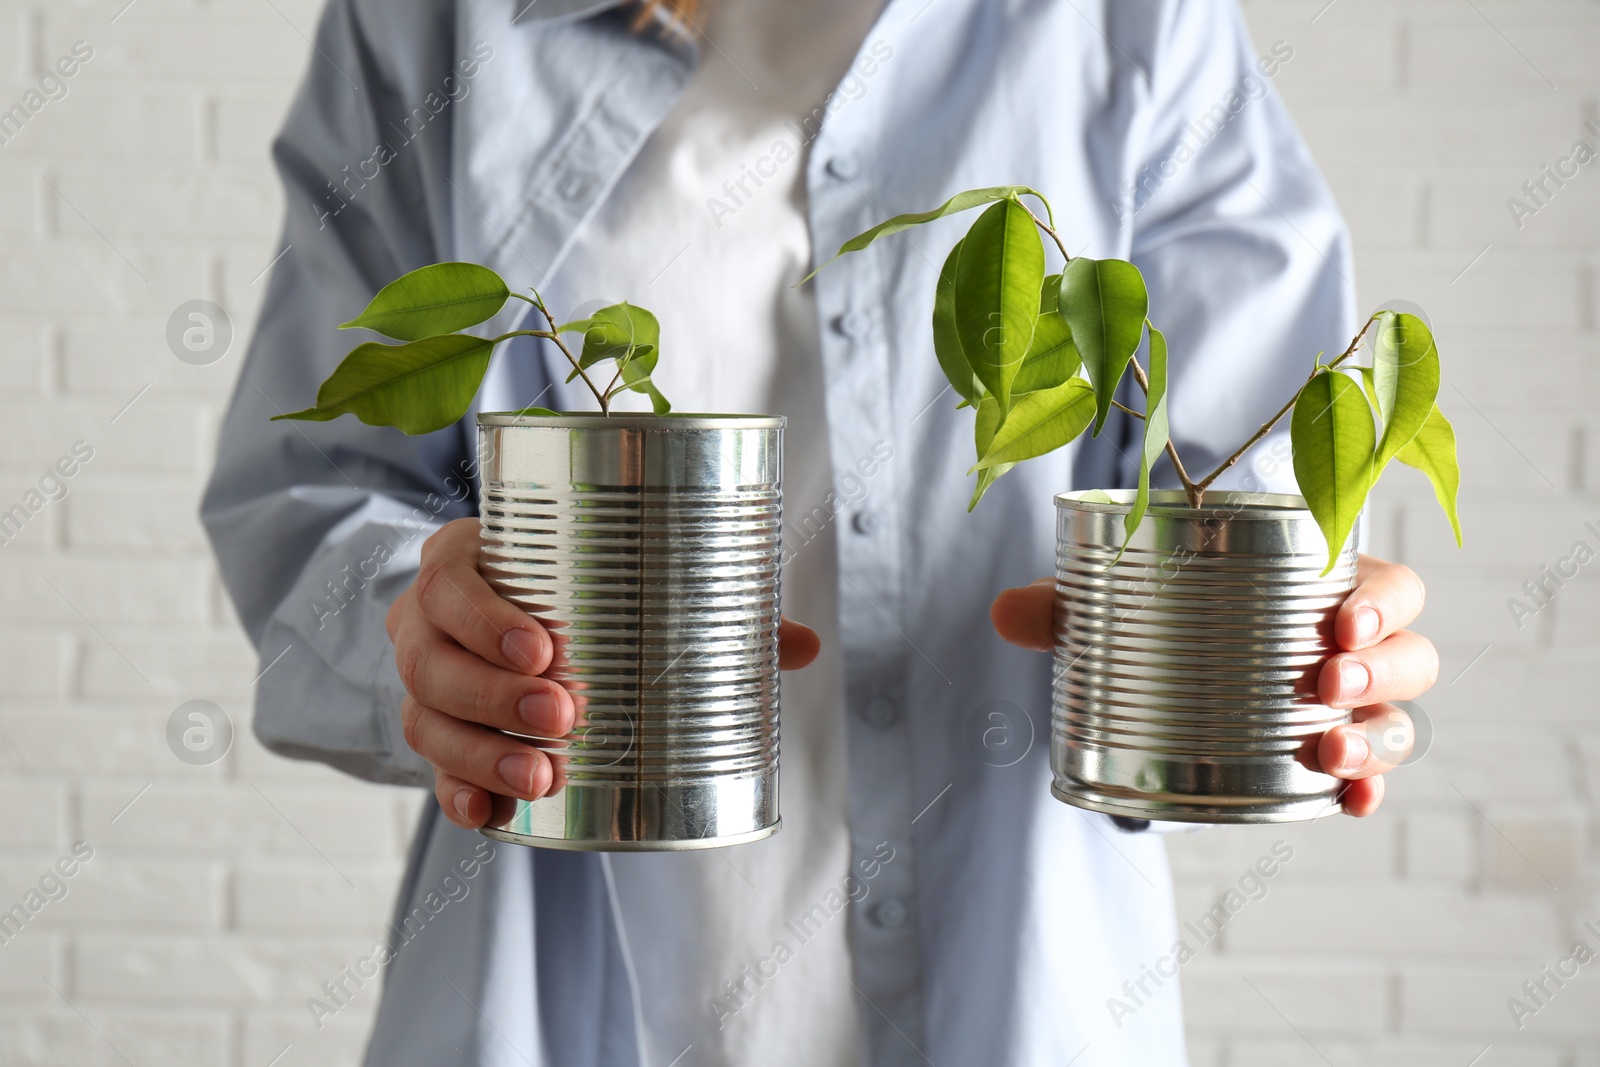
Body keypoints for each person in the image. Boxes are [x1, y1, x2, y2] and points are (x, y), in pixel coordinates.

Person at [201, 0, 1439, 1064]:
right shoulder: (441, 25)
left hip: (1023, 980)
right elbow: (308, 487)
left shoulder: (1129, 24)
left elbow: (1265, 465)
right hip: (553, 994)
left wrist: (1314, 648)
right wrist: (417, 635)